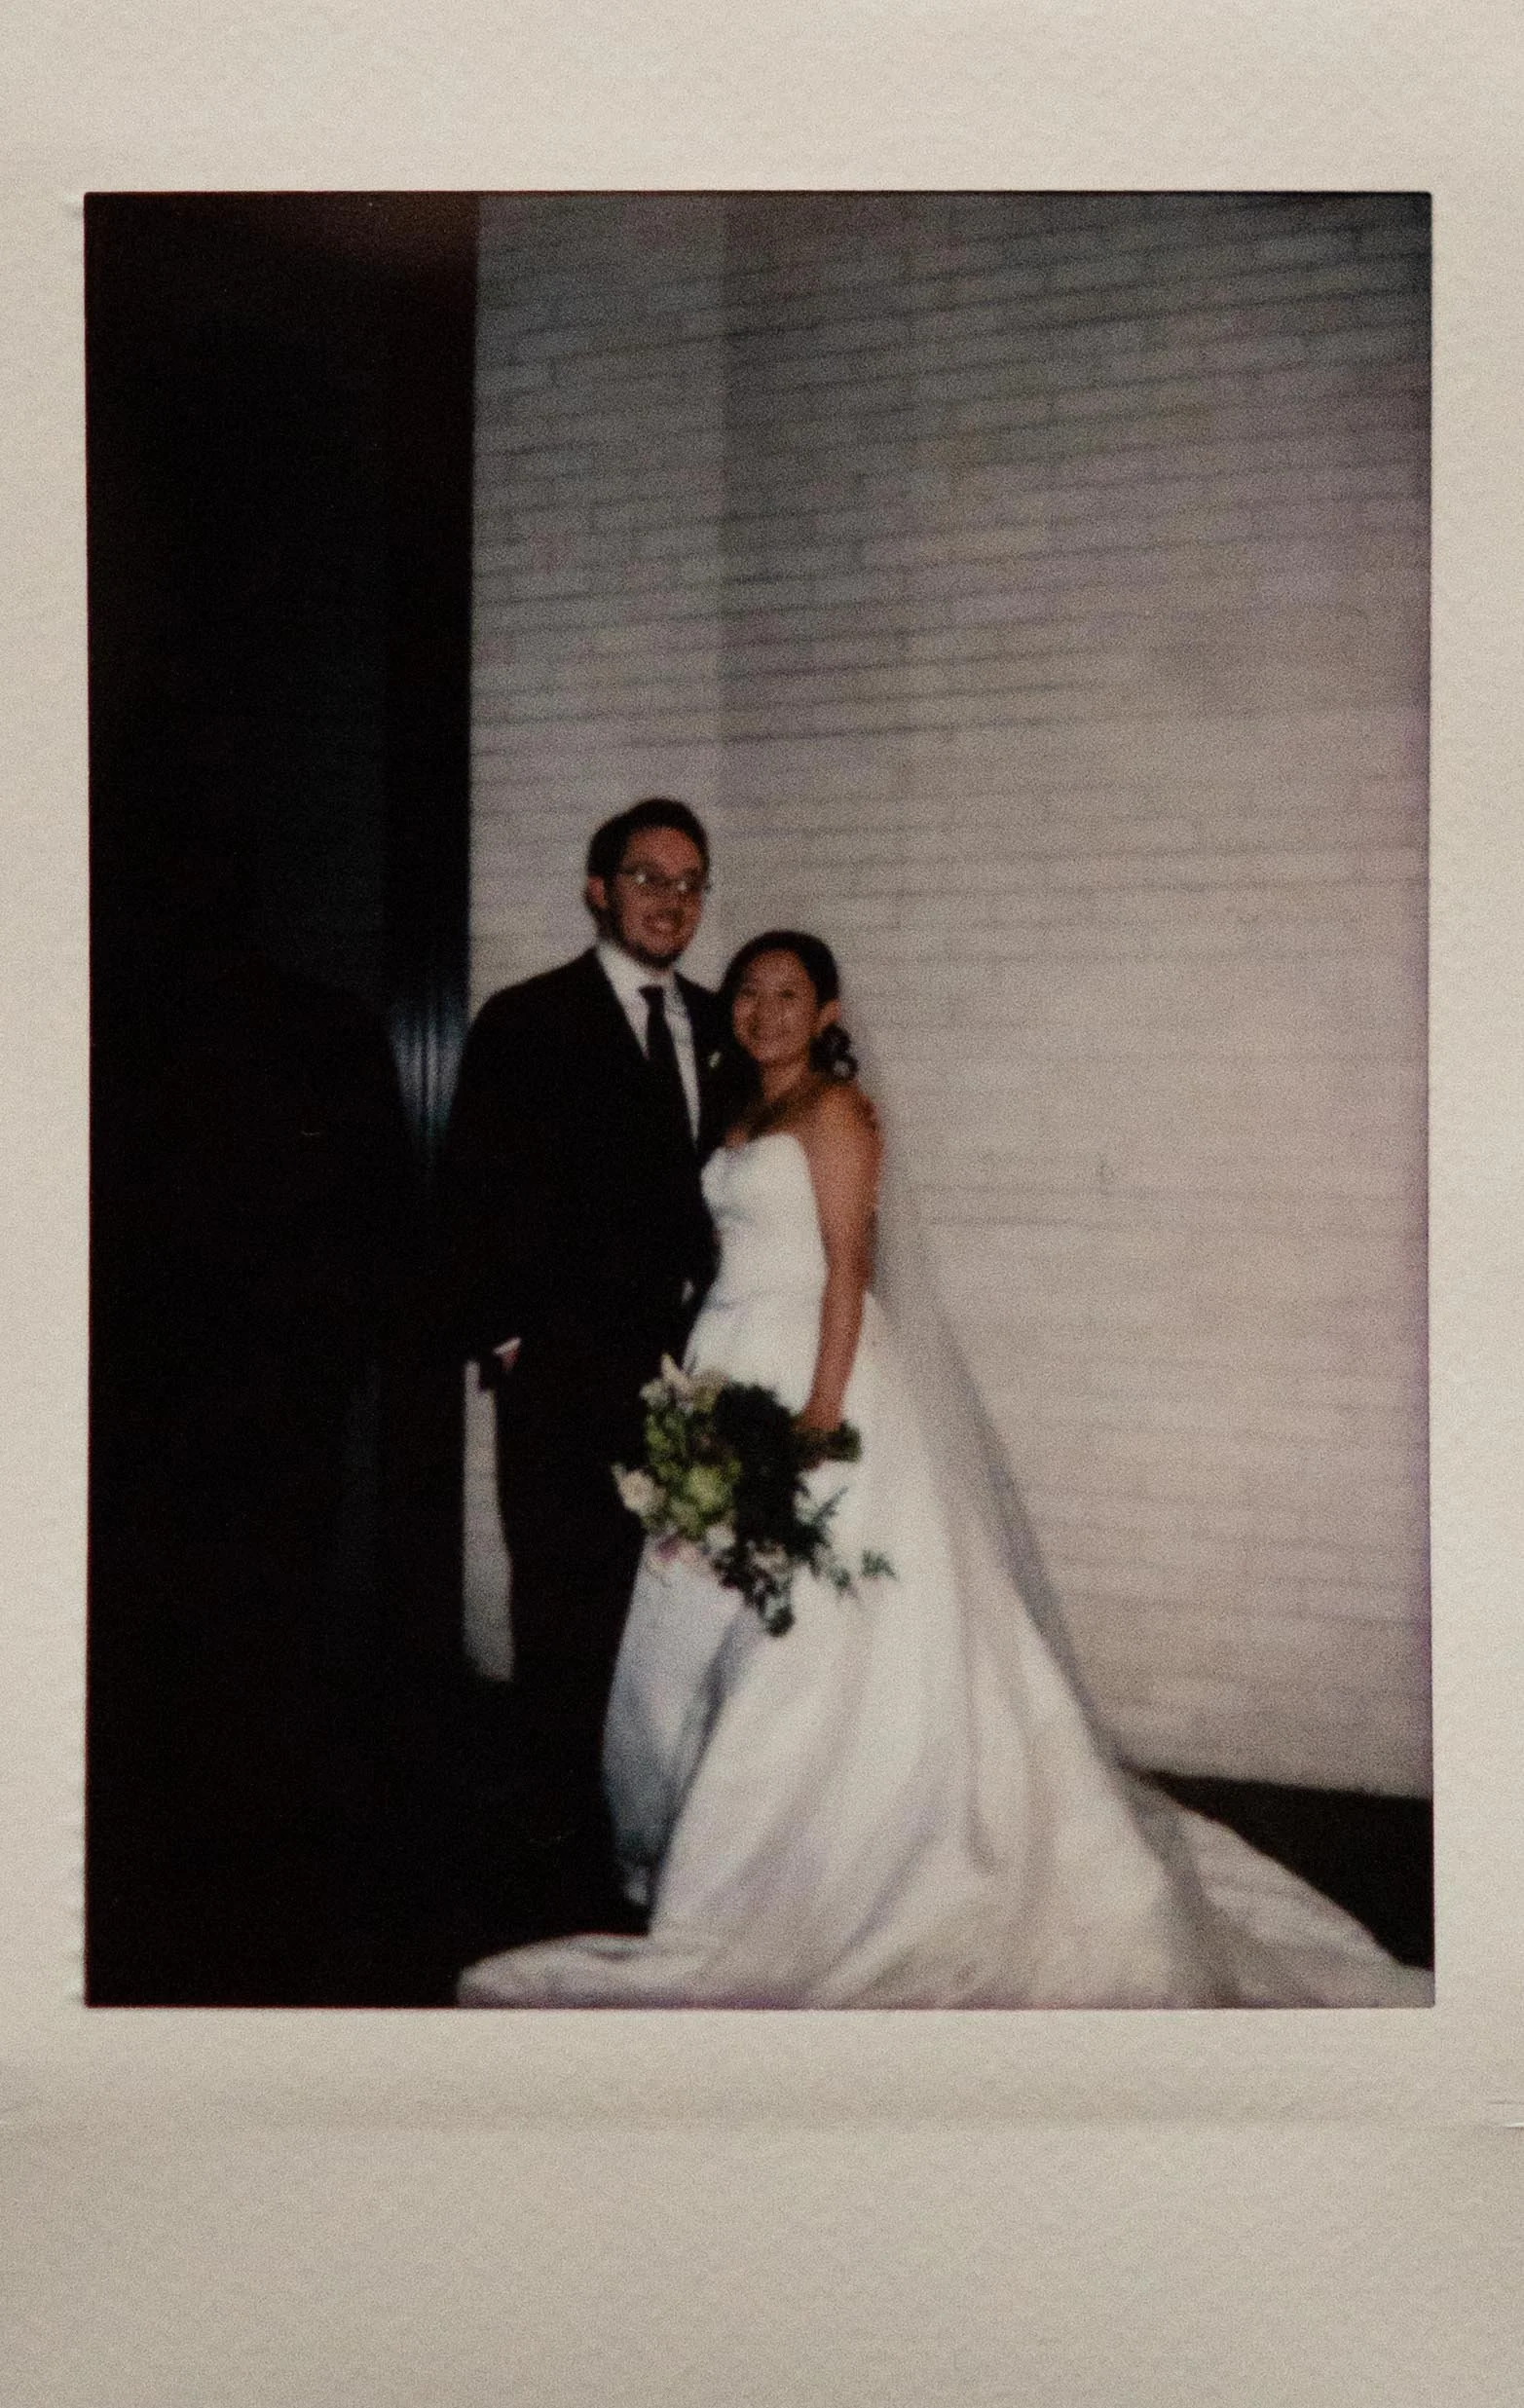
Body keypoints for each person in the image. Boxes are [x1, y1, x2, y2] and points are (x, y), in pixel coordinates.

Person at [459, 932, 1431, 2008]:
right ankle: (695, 1849)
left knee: (807, 1638)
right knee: (697, 1613)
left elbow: (843, 1276)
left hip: (808, 1376)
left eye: (789, 993)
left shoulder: (836, 1114)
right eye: (747, 991)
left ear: (826, 1012)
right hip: (724, 1366)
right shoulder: (738, 1115)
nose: (763, 1009)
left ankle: (793, 1879)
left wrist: (819, 1417)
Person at [436, 799, 734, 1917]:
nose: (672, 899)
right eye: (648, 877)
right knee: (562, 1609)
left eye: (692, 880)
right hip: (563, 1381)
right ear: (596, 888)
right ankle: (557, 1835)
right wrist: (513, 1347)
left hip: (697, 1379)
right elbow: (471, 1198)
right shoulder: (525, 1020)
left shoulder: (719, 1024)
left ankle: (657, 1819)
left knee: (674, 1607)